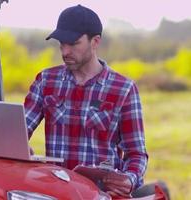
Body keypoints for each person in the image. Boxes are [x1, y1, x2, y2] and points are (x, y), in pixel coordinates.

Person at [24, 4, 148, 197]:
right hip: (55, 192)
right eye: (61, 44)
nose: (65, 51)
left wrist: (129, 179)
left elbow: (136, 154)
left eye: (73, 44)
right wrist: (18, 148)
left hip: (100, 195)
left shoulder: (124, 89)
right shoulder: (46, 81)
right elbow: (20, 130)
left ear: (95, 41)